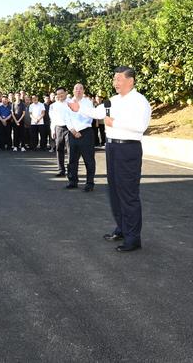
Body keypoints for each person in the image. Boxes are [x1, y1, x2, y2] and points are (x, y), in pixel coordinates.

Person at [68, 66, 152, 252]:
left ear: (130, 81)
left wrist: (113, 122)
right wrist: (79, 108)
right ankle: (122, 228)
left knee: (128, 192)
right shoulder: (112, 101)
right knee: (114, 190)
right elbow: (98, 113)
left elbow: (140, 126)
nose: (115, 83)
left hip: (128, 148)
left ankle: (133, 238)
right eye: (114, 79)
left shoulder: (139, 101)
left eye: (119, 79)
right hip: (112, 147)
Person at [64, 83, 96, 192]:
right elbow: (67, 118)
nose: (78, 90)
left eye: (80, 88)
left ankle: (90, 183)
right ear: (73, 90)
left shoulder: (88, 102)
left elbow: (90, 117)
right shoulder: (68, 102)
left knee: (89, 160)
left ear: (83, 91)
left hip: (86, 133)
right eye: (76, 88)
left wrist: (80, 129)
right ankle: (72, 181)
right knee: (72, 159)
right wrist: (73, 131)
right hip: (72, 134)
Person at [48, 87, 70, 177]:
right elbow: (52, 119)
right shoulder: (53, 106)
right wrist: (53, 130)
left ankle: (71, 170)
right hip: (58, 128)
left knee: (70, 150)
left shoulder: (71, 103)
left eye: (62, 93)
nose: (60, 95)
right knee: (59, 149)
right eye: (58, 94)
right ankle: (61, 170)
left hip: (69, 128)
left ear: (66, 93)